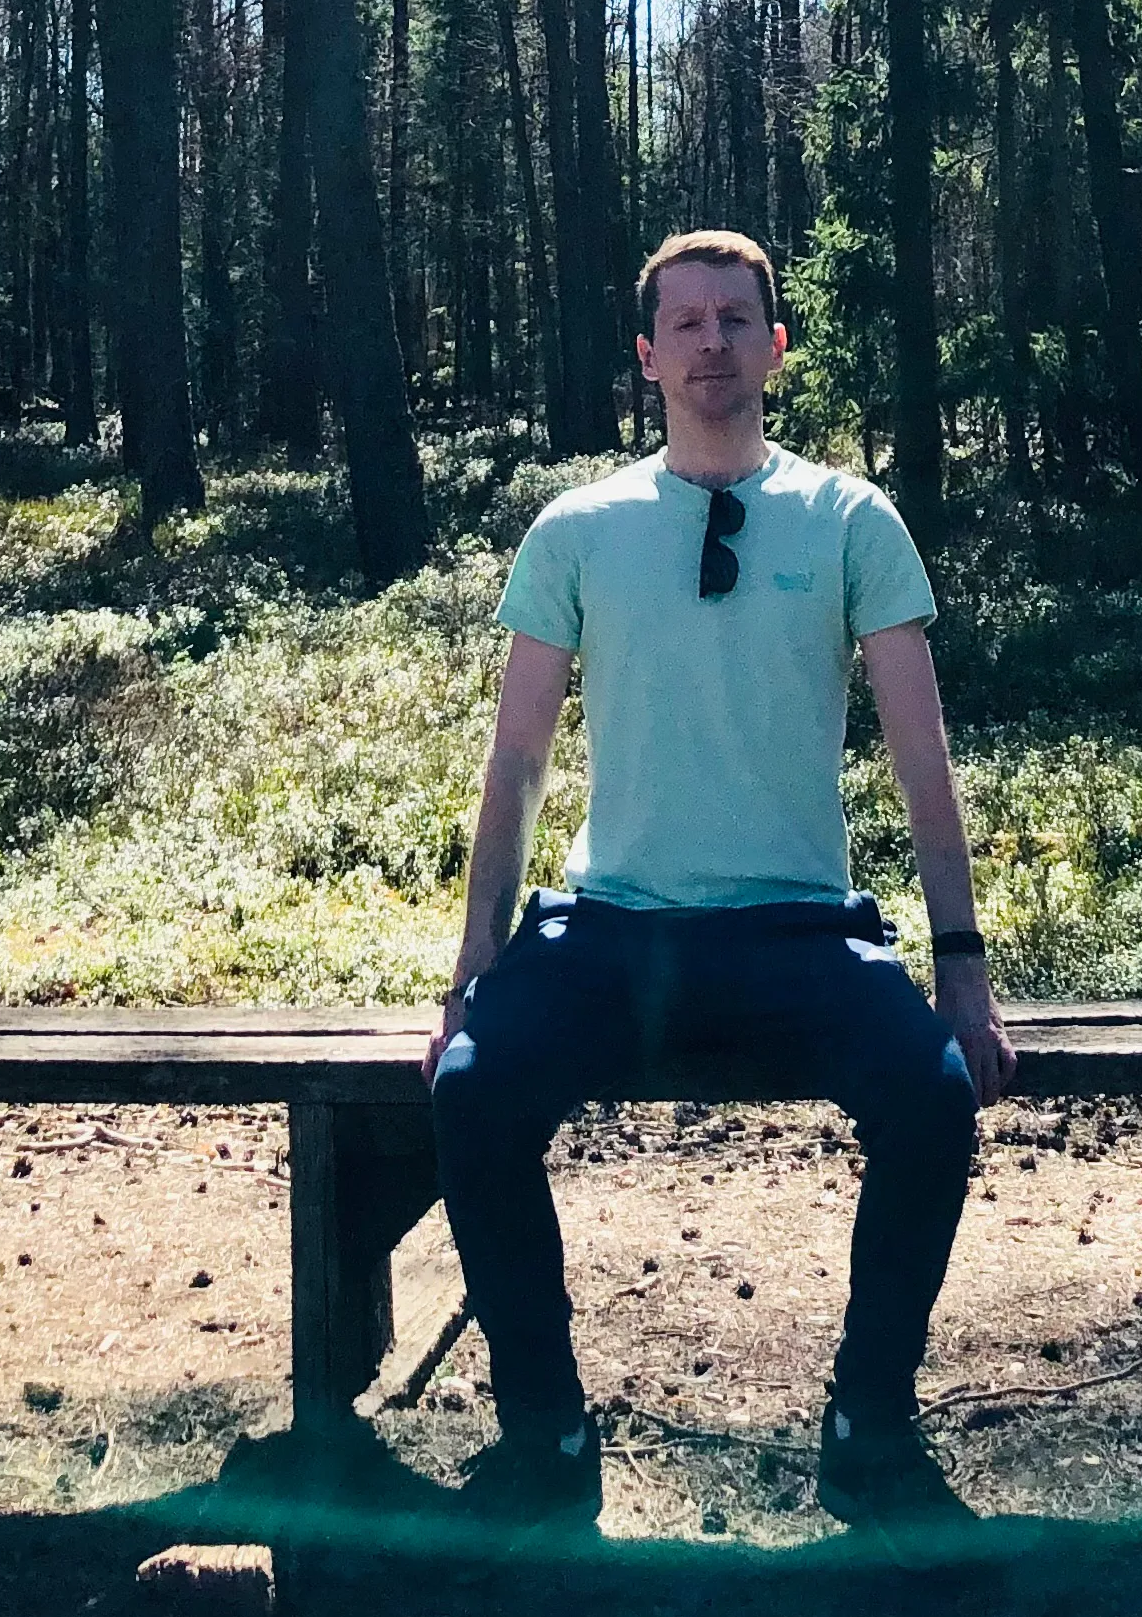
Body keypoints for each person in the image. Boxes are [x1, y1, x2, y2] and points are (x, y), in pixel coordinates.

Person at [425, 227, 1018, 1541]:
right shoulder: (578, 531)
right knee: (471, 1093)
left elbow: (924, 757)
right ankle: (547, 1434)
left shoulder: (851, 520)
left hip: (799, 935)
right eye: (685, 324)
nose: (712, 345)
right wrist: (472, 974)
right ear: (646, 356)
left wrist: (962, 964)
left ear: (775, 346)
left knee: (931, 1099)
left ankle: (870, 1424)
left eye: (735, 321)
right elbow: (516, 759)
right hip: (610, 934)